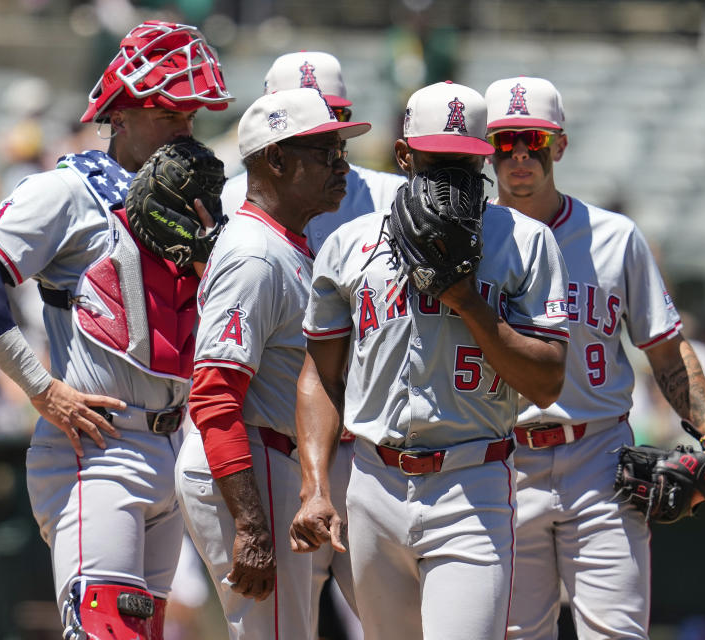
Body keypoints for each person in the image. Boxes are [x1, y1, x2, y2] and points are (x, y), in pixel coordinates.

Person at [0, 21, 233, 640]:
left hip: (172, 449)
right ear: (121, 112)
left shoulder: (197, 203)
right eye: (166, 111)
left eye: (191, 113)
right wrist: (41, 388)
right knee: (108, 633)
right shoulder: (67, 190)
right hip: (98, 447)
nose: (184, 126)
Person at [288, 80, 570, 640]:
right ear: (404, 155)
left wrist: (466, 299)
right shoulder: (349, 243)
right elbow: (321, 375)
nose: (450, 178)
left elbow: (547, 383)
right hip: (373, 482)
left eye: (464, 163)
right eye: (436, 160)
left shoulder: (525, 241)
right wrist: (316, 484)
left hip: (473, 482)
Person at [481, 76, 705, 639]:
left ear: (559, 146)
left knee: (617, 633)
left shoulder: (615, 237)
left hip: (599, 456)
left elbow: (666, 351)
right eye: (506, 141)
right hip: (505, 458)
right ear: (488, 149)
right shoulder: (470, 242)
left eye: (534, 140)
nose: (520, 154)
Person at [174, 87, 370, 640]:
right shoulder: (255, 254)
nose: (341, 164)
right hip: (249, 461)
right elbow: (213, 396)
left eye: (340, 150)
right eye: (323, 151)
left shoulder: (284, 243)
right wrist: (251, 525)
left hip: (271, 457)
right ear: (277, 160)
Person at [222, 50, 405, 253]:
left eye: (332, 113)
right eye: (300, 115)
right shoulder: (228, 198)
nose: (322, 123)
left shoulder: (391, 195)